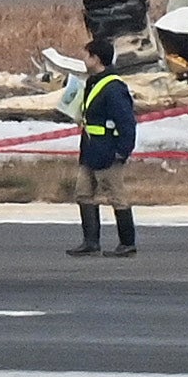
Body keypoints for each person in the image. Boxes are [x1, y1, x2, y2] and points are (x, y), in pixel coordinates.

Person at [62, 49, 140, 259]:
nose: (84, 59)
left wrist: (122, 151)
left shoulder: (114, 88)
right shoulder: (93, 83)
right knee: (83, 193)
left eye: (87, 55)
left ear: (96, 58)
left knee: (116, 196)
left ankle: (127, 243)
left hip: (108, 151)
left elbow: (126, 123)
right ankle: (91, 242)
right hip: (90, 149)